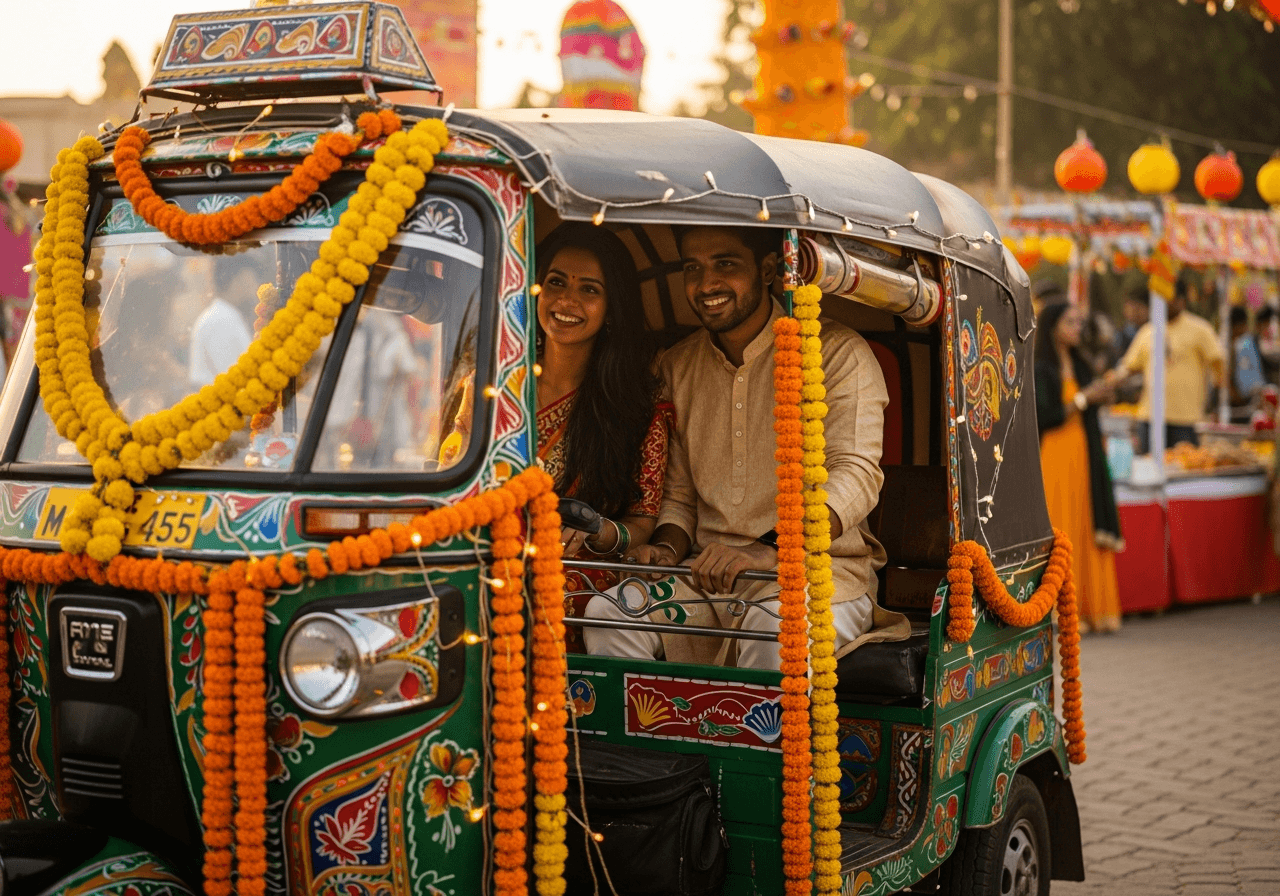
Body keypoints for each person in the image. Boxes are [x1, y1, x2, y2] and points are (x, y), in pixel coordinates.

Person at [584, 225, 908, 670]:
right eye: (692, 268)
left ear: (769, 269)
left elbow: (854, 473)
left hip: (818, 576)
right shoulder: (678, 366)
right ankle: (641, 742)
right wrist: (666, 549)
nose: (706, 284)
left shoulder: (835, 353)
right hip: (705, 580)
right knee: (609, 613)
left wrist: (771, 548)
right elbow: (679, 499)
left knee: (776, 629)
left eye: (726, 264)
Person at [535, 223, 672, 652]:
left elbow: (644, 523)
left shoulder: (635, 410)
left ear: (611, 310)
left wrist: (598, 531)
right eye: (556, 282)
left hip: (579, 572)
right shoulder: (494, 385)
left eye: (589, 290)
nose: (567, 301)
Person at [1035, 302, 1123, 634]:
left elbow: (1096, 399)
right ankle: (1062, 610)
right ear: (1053, 327)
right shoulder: (1042, 367)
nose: (1076, 328)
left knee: (1086, 525)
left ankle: (1092, 609)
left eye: (1077, 322)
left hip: (1085, 453)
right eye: (1069, 322)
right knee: (1063, 524)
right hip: (1055, 454)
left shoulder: (1083, 364)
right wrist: (1084, 398)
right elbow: (1047, 416)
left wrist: (1105, 392)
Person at [1114, 272, 1224, 455]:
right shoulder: (1148, 331)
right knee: (1150, 470)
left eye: (1168, 298)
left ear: (1181, 300)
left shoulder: (1200, 329)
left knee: (1183, 472)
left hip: (1185, 420)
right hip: (1149, 417)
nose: (1162, 303)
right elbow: (1128, 367)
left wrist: (1216, 407)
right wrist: (1110, 381)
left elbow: (1219, 369)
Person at [188, 260, 259, 388]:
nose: (255, 288)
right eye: (251, 281)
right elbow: (233, 377)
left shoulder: (226, 315)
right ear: (238, 281)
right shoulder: (221, 319)